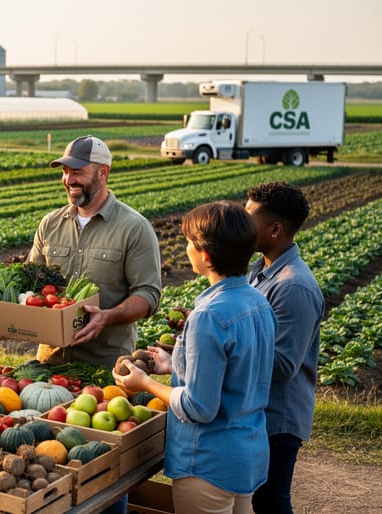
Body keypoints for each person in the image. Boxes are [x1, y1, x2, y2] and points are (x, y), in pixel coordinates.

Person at [113, 200, 277, 514]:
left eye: (189, 241)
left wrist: (145, 382)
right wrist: (175, 364)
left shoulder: (208, 316)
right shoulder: (257, 301)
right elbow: (237, 370)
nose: (186, 247)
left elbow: (199, 407)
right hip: (248, 452)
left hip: (209, 462)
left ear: (205, 254)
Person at [28, 135, 162, 367]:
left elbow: (148, 295)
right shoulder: (50, 224)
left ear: (103, 173)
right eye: (65, 171)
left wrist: (107, 317)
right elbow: (29, 282)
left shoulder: (134, 228)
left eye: (77, 172)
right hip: (50, 363)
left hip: (106, 366)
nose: (69, 179)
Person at [245, 182, 325, 514]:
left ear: (275, 229)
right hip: (259, 410)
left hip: (278, 417)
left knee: (271, 500)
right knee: (257, 498)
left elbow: (282, 364)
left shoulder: (293, 286)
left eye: (249, 218)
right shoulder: (261, 271)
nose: (242, 223)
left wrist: (221, 348)